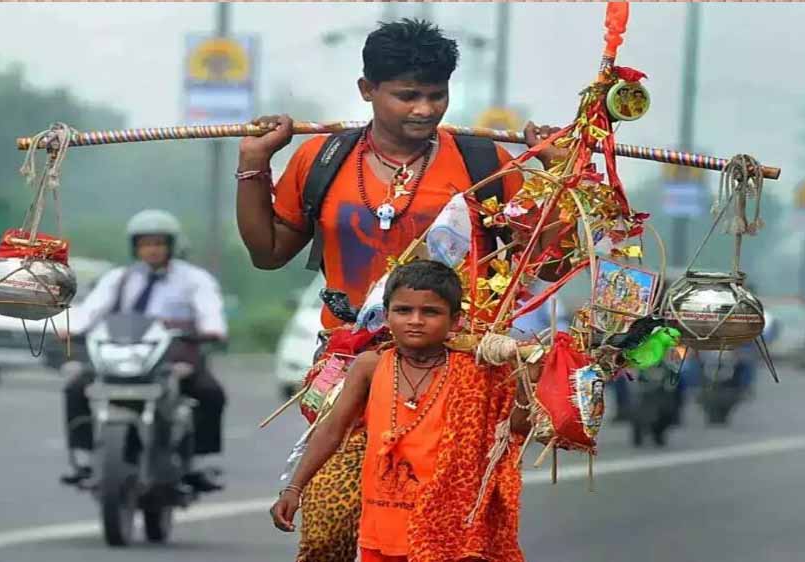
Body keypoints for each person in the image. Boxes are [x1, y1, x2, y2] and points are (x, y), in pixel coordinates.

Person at [235, 18, 563, 561]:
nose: (425, 109)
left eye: (437, 95)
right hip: (350, 363)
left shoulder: (485, 163)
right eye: (407, 95)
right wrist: (253, 164)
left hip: (457, 371)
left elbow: (548, 266)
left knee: (445, 534)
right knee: (331, 533)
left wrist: (554, 175)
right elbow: (268, 253)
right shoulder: (320, 160)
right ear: (367, 91)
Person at [270, 260, 529, 562]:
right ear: (387, 314)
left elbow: (514, 431)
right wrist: (294, 488)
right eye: (403, 310)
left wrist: (526, 381)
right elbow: (332, 429)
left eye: (430, 312)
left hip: (449, 533)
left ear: (455, 320)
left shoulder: (477, 371)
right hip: (381, 529)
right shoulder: (371, 365)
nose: (415, 320)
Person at [59, 209, 228, 493]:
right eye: (146, 244)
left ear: (171, 246)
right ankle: (84, 458)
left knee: (211, 393)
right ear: (135, 247)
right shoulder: (119, 278)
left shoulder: (193, 279)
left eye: (159, 243)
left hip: (174, 355)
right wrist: (71, 329)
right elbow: (92, 310)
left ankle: (200, 463)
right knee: (76, 387)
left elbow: (209, 310)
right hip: (123, 354)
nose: (152, 250)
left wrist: (212, 329)